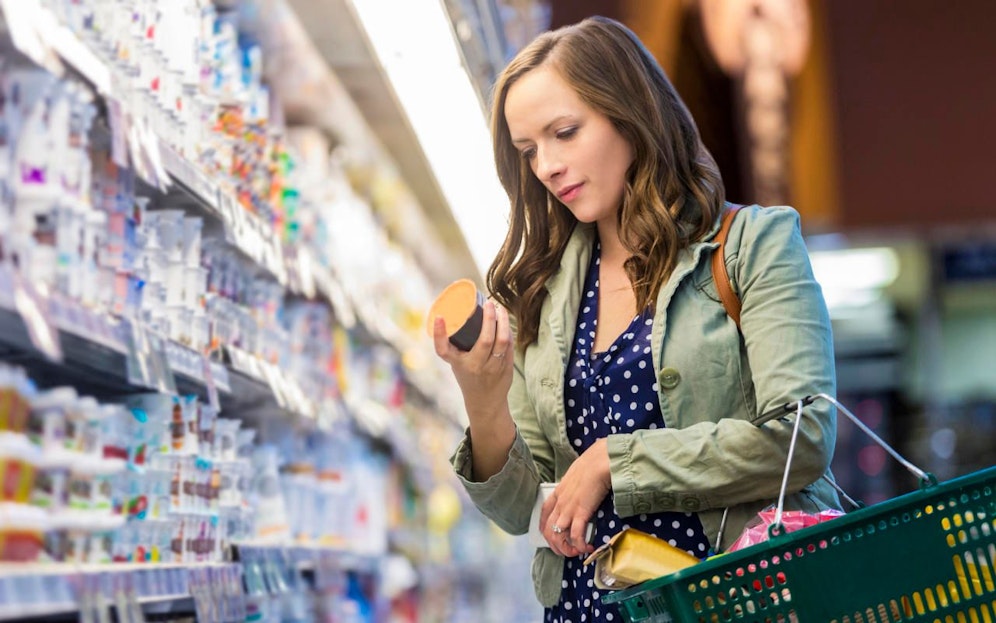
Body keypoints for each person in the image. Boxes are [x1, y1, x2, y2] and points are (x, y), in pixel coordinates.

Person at [430, 15, 841, 621]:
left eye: (565, 132)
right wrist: (482, 400)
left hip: (732, 599)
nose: (546, 165)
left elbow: (801, 437)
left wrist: (610, 462)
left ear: (631, 115)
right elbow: (522, 509)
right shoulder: (543, 291)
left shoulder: (752, 245)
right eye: (529, 150)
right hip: (587, 605)